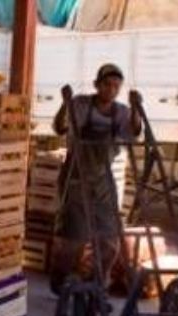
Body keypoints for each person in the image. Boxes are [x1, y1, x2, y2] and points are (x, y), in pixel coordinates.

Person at [50, 63, 143, 295]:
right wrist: (65, 104)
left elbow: (133, 134)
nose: (111, 90)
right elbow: (59, 128)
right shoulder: (80, 104)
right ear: (96, 85)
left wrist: (136, 108)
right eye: (107, 85)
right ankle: (62, 282)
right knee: (73, 238)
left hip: (103, 179)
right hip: (75, 177)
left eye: (116, 86)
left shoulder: (121, 112)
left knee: (110, 240)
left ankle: (97, 285)